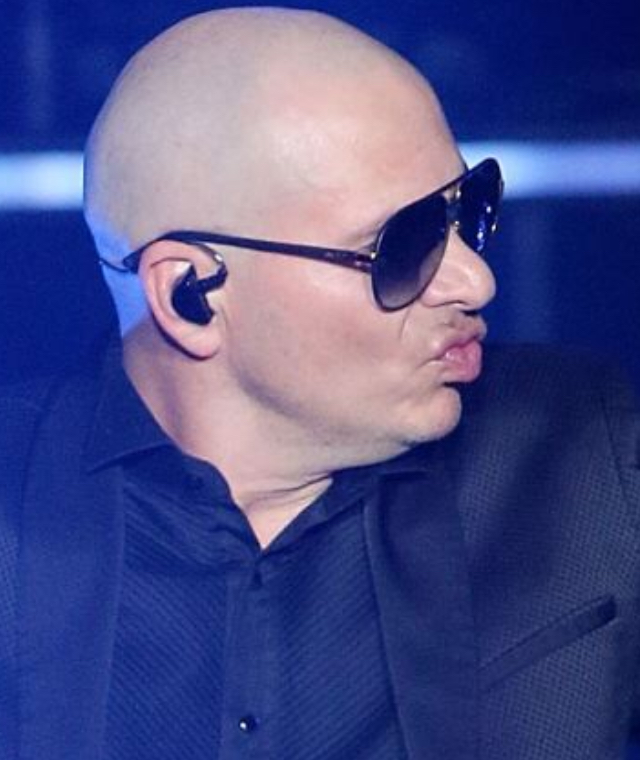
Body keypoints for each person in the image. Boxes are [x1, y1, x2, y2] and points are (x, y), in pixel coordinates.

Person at [1, 7, 639, 760]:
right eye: (403, 243)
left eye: (467, 212)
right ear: (189, 295)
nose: (475, 280)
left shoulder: (592, 458)